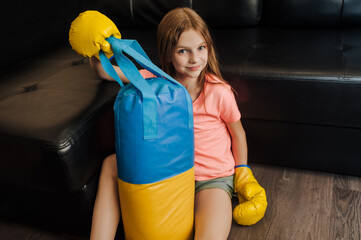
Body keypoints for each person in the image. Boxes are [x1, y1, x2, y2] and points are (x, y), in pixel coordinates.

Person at [88, 7, 266, 240]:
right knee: (111, 164)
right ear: (168, 52)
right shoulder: (154, 82)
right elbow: (104, 71)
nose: (195, 58)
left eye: (201, 48)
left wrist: (242, 172)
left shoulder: (219, 92)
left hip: (211, 181)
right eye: (183, 51)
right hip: (168, 174)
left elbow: (237, 134)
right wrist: (98, 48)